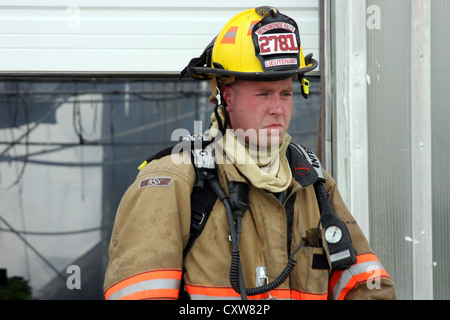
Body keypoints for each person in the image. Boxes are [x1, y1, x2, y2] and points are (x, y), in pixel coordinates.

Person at [103, 6, 396, 300]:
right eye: (263, 94)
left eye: (285, 93)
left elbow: (366, 288)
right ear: (226, 97)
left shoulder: (311, 181)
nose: (277, 109)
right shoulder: (174, 180)